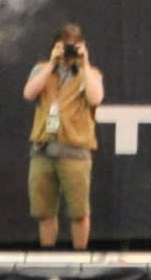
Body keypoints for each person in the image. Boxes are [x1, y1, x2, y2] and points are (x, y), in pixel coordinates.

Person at [24, 23, 103, 253]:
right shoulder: (41, 69)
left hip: (75, 151)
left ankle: (80, 255)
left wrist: (84, 62)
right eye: (64, 45)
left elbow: (96, 97)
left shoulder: (91, 73)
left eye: (73, 45)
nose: (68, 51)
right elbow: (29, 93)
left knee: (79, 211)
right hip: (42, 148)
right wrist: (51, 63)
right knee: (44, 211)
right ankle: (47, 254)